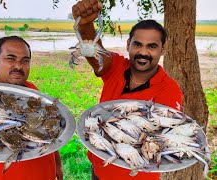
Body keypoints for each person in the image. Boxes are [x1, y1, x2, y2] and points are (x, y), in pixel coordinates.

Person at [72, 0, 183, 179]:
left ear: (163, 49)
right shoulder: (115, 67)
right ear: (128, 44)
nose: (143, 52)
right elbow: (94, 52)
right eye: (138, 44)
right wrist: (85, 24)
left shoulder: (169, 90)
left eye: (152, 46)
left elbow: (162, 140)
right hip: (100, 170)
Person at [0, 36, 63, 180]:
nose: (18, 66)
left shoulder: (33, 91)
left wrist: (58, 164)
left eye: (25, 61)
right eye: (11, 59)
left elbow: (48, 128)